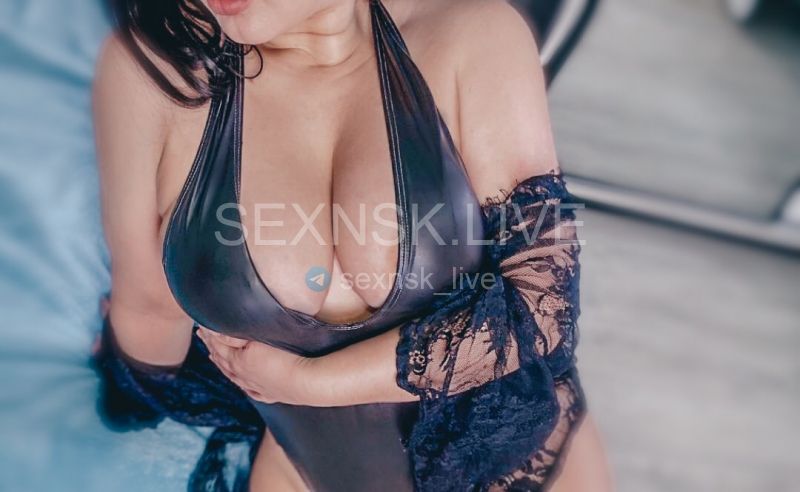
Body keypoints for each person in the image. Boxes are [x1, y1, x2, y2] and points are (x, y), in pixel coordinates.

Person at [92, 0, 613, 490]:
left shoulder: (474, 38)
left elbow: (541, 311)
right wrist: (123, 397)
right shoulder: (154, 74)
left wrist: (308, 383)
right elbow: (149, 306)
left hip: (523, 472)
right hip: (305, 476)